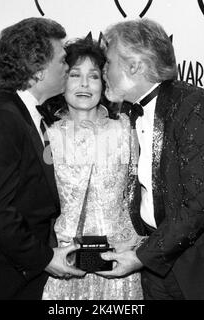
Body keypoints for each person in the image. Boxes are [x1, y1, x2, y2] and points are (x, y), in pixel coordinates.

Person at [97, 18, 204, 300]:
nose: (103, 71)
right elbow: (156, 195)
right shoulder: (130, 114)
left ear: (134, 65)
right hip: (159, 271)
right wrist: (141, 242)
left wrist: (142, 255)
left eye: (108, 62)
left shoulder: (194, 106)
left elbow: (201, 202)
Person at [0, 18, 85, 300]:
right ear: (37, 69)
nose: (68, 68)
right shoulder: (1, 120)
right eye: (61, 61)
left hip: (13, 279)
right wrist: (45, 258)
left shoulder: (23, 115)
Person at [41, 36, 143, 300]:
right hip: (65, 264)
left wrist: (137, 248)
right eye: (75, 75)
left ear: (104, 82)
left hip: (119, 264)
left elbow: (140, 195)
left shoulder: (124, 131)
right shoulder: (47, 138)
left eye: (94, 76)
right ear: (61, 80)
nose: (84, 84)